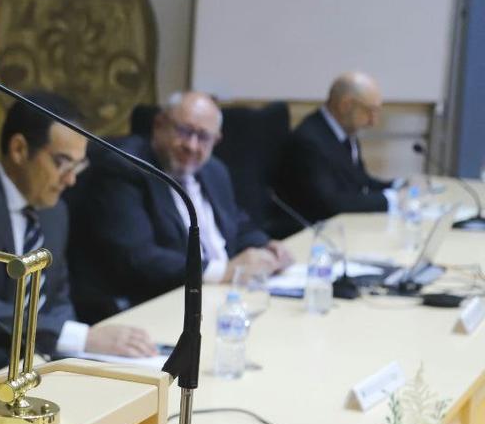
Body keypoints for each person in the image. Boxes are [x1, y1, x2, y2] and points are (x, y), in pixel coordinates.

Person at [0, 92, 158, 384]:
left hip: (38, 361)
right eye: (62, 163)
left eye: (78, 166)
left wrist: (71, 355)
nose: (71, 179)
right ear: (20, 149)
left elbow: (57, 295)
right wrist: (80, 337)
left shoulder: (55, 210)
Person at [75, 92, 292, 312]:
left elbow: (236, 223)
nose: (192, 145)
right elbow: (138, 258)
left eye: (203, 137)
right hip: (166, 303)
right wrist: (223, 271)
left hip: (227, 297)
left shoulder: (214, 170)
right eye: (184, 131)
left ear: (216, 140)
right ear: (159, 125)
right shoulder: (125, 167)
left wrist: (266, 245)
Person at [276, 72, 398, 223]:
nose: (373, 121)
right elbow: (331, 203)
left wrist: (398, 185)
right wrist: (392, 200)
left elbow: (361, 181)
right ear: (345, 105)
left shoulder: (345, 132)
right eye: (369, 111)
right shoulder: (309, 141)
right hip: (311, 228)